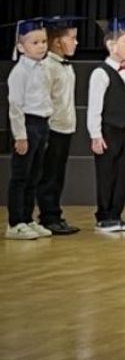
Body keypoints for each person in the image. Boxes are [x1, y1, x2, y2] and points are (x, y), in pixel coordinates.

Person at [87, 16, 125, 233]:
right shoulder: (101, 73)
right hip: (108, 130)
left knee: (122, 174)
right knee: (107, 174)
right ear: (111, 45)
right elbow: (95, 107)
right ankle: (104, 216)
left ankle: (116, 214)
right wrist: (95, 135)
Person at [7, 19, 56, 240]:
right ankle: (15, 222)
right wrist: (20, 136)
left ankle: (27, 218)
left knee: (34, 175)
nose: (41, 46)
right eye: (35, 42)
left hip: (41, 124)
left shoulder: (44, 68)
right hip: (27, 125)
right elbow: (15, 106)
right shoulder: (20, 72)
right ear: (21, 46)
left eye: (44, 41)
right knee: (21, 176)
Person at [37, 16, 81, 235]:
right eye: (71, 38)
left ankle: (55, 214)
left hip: (65, 128)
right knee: (49, 176)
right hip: (52, 129)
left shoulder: (66, 66)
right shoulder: (47, 67)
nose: (76, 42)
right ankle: (48, 217)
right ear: (56, 42)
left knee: (58, 175)